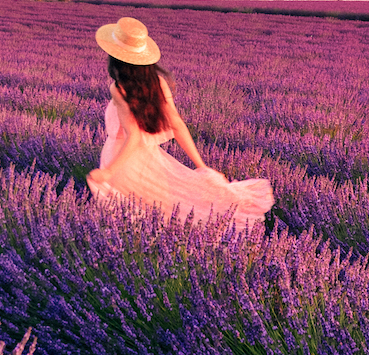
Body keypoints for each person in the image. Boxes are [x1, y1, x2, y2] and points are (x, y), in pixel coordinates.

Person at [85, 16, 273, 232]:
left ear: (116, 57)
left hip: (121, 161)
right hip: (150, 161)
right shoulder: (157, 82)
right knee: (166, 215)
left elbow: (133, 136)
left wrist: (109, 172)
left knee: (129, 224)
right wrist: (201, 166)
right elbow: (177, 125)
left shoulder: (118, 89)